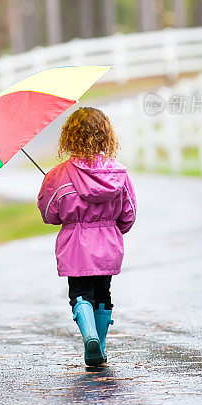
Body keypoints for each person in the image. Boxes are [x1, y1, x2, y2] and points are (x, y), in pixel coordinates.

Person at [37, 107, 137, 367]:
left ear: (69, 137)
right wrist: (113, 231)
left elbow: (50, 214)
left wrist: (54, 190)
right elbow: (129, 214)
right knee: (103, 293)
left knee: (81, 293)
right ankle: (100, 348)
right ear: (106, 136)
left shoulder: (58, 176)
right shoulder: (118, 173)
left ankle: (89, 337)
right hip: (108, 244)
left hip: (75, 246)